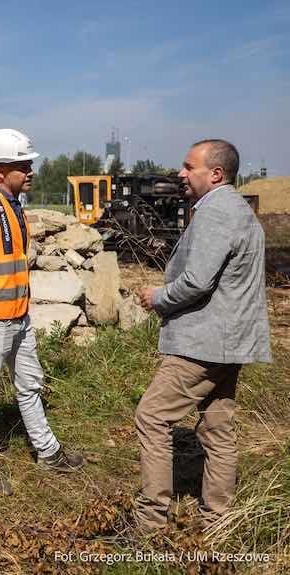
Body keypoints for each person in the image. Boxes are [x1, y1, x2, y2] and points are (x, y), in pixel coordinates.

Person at [135, 139, 271, 532]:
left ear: (215, 174)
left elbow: (196, 281)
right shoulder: (239, 210)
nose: (180, 173)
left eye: (187, 166)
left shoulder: (216, 212)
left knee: (152, 417)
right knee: (217, 427)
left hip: (205, 342)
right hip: (231, 341)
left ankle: (150, 522)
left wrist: (158, 297)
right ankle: (217, 519)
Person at [0, 129, 84, 496]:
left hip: (19, 316)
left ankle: (48, 451)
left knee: (30, 384)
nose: (30, 171)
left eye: (29, 164)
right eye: (22, 165)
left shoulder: (14, 205)